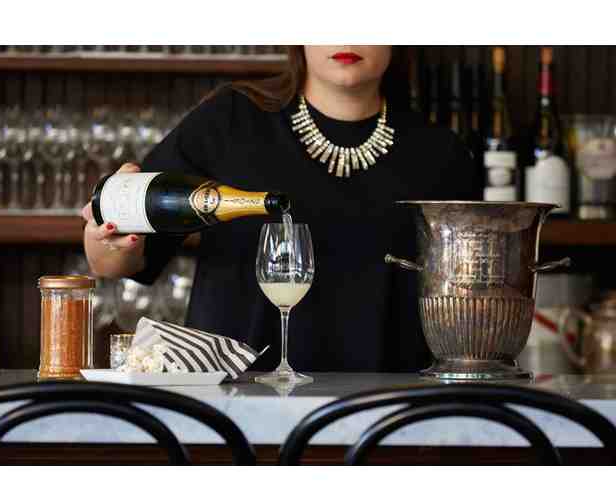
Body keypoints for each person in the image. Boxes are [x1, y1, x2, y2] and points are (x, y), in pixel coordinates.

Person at [81, 46, 480, 373]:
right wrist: (108, 239)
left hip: (385, 408)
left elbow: (467, 300)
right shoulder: (230, 120)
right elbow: (113, 263)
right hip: (235, 401)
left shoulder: (442, 155)